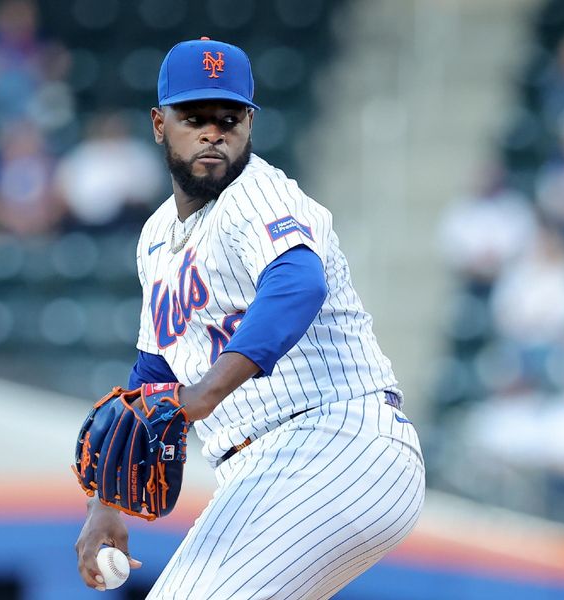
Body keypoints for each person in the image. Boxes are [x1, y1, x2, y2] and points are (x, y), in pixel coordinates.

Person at [74, 38, 425, 599]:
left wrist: (203, 394)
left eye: (229, 118)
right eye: (194, 118)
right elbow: (151, 374)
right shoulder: (155, 237)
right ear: (160, 124)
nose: (213, 132)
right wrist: (107, 504)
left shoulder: (256, 193)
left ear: (250, 124)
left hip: (335, 439)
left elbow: (297, 282)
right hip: (265, 466)